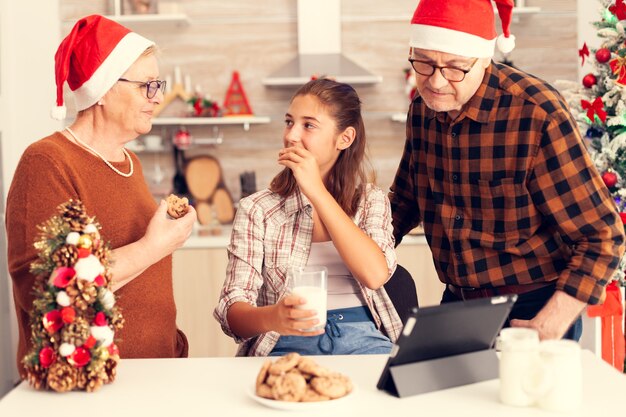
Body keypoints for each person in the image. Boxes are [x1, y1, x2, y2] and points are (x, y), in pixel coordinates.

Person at [390, 0, 625, 341]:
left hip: (533, 305)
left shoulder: (535, 114)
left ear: (484, 61)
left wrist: (552, 321)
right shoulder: (422, 111)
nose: (436, 82)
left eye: (455, 68)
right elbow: (404, 202)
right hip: (456, 302)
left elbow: (602, 235)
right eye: (424, 64)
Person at [6, 15, 197, 376]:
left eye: (158, 85)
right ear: (105, 88)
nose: (157, 98)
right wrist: (154, 245)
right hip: (87, 384)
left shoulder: (129, 161)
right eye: (147, 86)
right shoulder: (47, 162)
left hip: (153, 374)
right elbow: (43, 289)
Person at [214, 79, 402, 356]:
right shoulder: (257, 209)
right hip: (286, 343)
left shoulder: (370, 201)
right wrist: (274, 317)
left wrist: (317, 192)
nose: (291, 135)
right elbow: (231, 312)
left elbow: (374, 275)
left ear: (345, 138)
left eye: (308, 125)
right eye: (289, 122)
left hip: (363, 339)